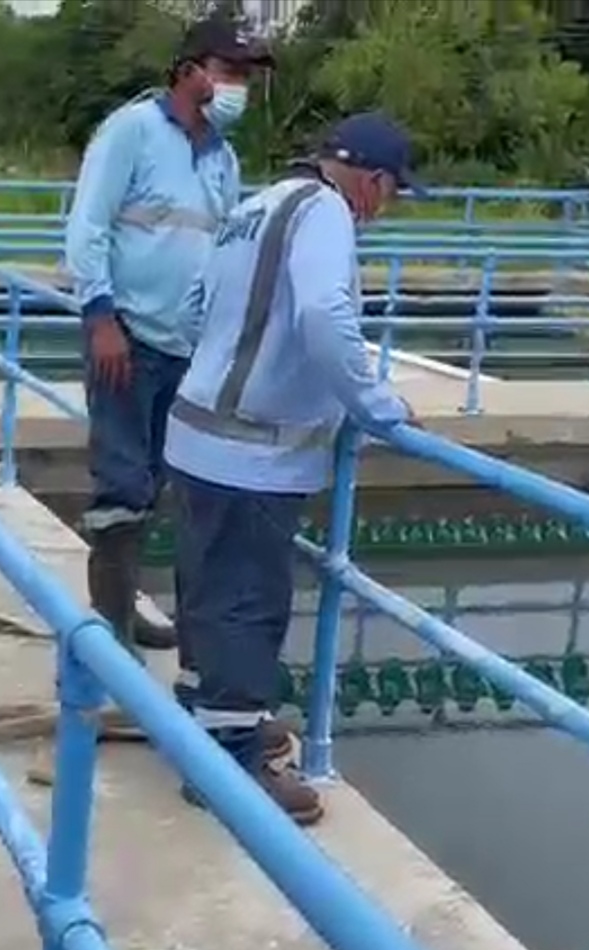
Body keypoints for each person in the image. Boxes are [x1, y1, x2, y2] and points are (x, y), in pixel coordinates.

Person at [163, 113, 419, 826]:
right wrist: (377, 408)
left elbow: (190, 311)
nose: (384, 208)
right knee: (248, 603)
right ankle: (231, 763)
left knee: (206, 592)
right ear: (371, 181)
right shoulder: (325, 213)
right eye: (391, 192)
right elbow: (323, 317)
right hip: (253, 453)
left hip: (195, 433)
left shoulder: (256, 204)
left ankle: (207, 714)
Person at [63, 14, 272, 658]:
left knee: (156, 483)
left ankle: (125, 615)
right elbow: (87, 226)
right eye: (230, 72)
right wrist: (100, 316)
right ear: (189, 72)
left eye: (247, 76)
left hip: (187, 347)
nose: (240, 87)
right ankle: (112, 640)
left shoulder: (223, 158)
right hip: (124, 337)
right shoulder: (133, 131)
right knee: (121, 484)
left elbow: (222, 249)